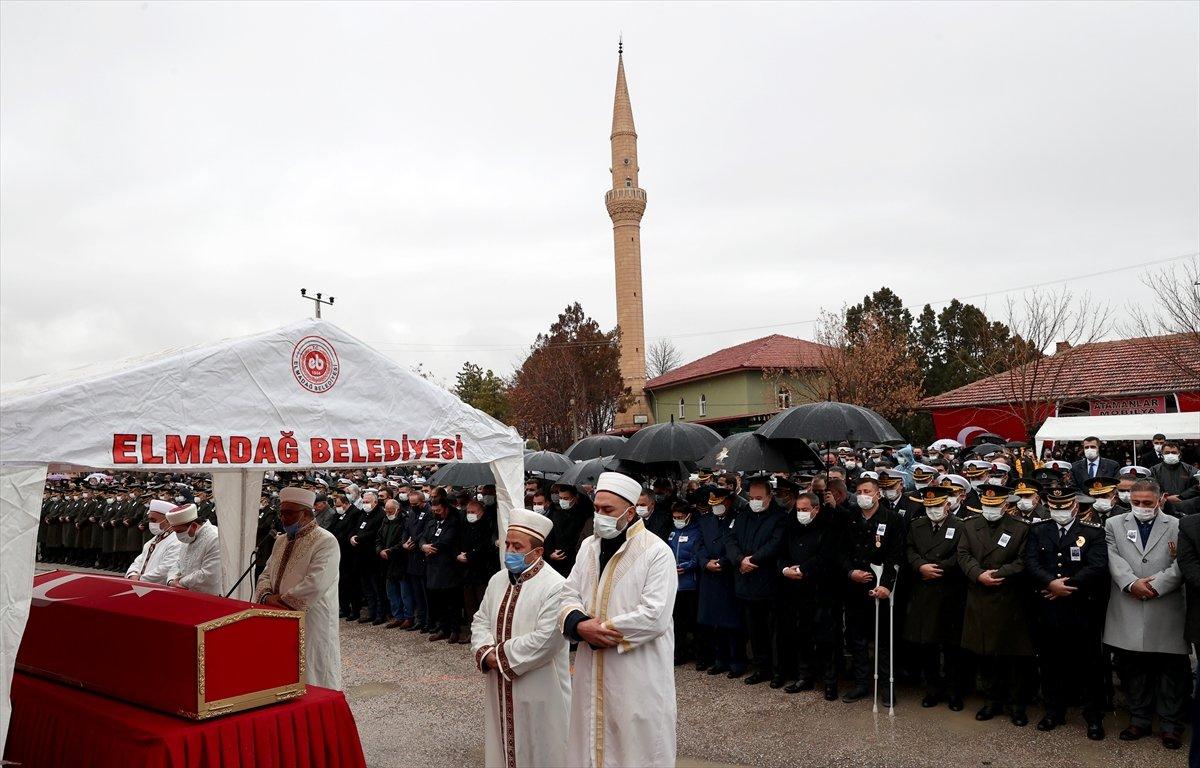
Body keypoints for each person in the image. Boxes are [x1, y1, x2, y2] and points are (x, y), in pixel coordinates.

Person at [560, 472, 677, 768]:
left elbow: (655, 615)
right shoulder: (589, 547)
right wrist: (577, 623)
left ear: (630, 511)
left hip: (636, 672)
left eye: (608, 510)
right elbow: (567, 593)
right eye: (596, 509)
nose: (600, 516)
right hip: (591, 669)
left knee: (635, 747)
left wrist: (601, 631)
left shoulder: (656, 553)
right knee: (591, 741)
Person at [471, 507, 570, 768]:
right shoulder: (497, 580)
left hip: (539, 685)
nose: (510, 551)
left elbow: (548, 639)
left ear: (537, 552)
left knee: (542, 746)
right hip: (499, 683)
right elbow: (481, 619)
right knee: (501, 744)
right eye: (507, 544)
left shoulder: (556, 586)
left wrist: (498, 656)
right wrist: (484, 650)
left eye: (517, 546)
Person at [1102, 478, 1187, 751]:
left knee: (1169, 671)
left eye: (1147, 503)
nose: (1140, 507)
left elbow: (1181, 563)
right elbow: (1113, 558)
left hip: (1166, 607)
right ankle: (1138, 719)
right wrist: (1130, 583)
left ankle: (1170, 725)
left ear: (1160, 500)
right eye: (1135, 502)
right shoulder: (1114, 524)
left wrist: (1157, 585)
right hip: (1127, 603)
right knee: (1132, 668)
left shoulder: (1178, 525)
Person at [1024, 488, 1108, 739]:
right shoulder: (1039, 530)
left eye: (1064, 507)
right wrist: (1050, 584)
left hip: (1081, 607)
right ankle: (1053, 711)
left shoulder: (1092, 531)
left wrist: (1067, 587)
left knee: (1089, 665)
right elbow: (1031, 562)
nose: (1059, 511)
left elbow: (1097, 565)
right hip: (1049, 608)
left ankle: (1093, 717)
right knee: (1051, 663)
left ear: (1074, 507)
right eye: (1054, 507)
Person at [957, 485, 1033, 726]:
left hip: (1009, 599)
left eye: (995, 505)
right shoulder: (969, 525)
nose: (990, 509)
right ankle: (992, 701)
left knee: (1012, 656)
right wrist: (978, 574)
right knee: (985, 653)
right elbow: (963, 554)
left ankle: (1016, 704)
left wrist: (1000, 573)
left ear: (1005, 504)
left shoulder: (1020, 528)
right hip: (980, 595)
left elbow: (1023, 560)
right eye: (986, 505)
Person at [254, 487, 343, 690]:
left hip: (311, 617)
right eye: (282, 513)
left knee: (312, 670)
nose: (283, 518)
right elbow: (266, 573)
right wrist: (267, 597)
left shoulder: (325, 541)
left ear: (305, 513)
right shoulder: (281, 540)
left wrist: (282, 601)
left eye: (289, 513)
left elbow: (316, 583)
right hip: (277, 613)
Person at [838, 474, 904, 705]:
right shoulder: (850, 518)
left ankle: (886, 687)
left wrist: (886, 585)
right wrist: (850, 572)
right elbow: (841, 551)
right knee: (857, 639)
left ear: (878, 494)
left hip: (881, 589)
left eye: (868, 492)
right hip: (855, 586)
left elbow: (895, 555)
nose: (863, 496)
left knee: (883, 641)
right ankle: (861, 684)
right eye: (860, 492)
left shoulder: (893, 519)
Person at [904, 487, 969, 711]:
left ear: (947, 505)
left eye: (937, 506)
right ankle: (932, 689)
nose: (933, 510)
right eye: (929, 506)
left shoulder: (961, 526)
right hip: (923, 591)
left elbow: (961, 554)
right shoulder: (916, 525)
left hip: (949, 591)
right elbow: (909, 549)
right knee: (927, 645)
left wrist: (939, 568)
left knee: (951, 648)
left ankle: (954, 691)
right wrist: (920, 565)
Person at [776, 490, 839, 697]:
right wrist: (785, 569)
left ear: (816, 509)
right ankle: (805, 676)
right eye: (798, 509)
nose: (801, 513)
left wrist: (803, 569)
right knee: (800, 634)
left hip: (820, 590)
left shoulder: (827, 527)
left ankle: (830, 681)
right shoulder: (791, 527)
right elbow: (782, 553)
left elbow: (826, 555)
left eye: (805, 510)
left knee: (825, 638)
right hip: (795, 590)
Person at [726, 475, 786, 687]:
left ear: (769, 497)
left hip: (768, 581)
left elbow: (775, 543)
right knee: (754, 629)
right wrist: (740, 560)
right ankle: (761, 667)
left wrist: (754, 559)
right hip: (746, 582)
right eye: (752, 497)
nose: (755, 501)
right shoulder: (743, 515)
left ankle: (778, 671)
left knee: (774, 631)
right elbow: (731, 540)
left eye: (759, 497)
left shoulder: (779, 517)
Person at [694, 487, 746, 678]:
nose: (716, 508)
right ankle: (719, 660)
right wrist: (704, 562)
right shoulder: (705, 521)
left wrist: (723, 562)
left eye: (720, 503)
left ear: (728, 501)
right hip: (709, 575)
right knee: (713, 622)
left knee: (732, 623)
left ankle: (736, 662)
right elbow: (698, 545)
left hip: (728, 575)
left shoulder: (737, 519)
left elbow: (737, 545)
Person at [423, 490, 465, 643]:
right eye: (434, 511)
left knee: (451, 601)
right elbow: (423, 536)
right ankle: (443, 628)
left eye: (439, 511)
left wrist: (430, 547)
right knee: (437, 600)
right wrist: (423, 546)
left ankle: (455, 630)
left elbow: (446, 541)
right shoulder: (432, 521)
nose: (436, 513)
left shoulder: (453, 522)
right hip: (432, 567)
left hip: (447, 567)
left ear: (446, 509)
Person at [667, 501, 701, 666]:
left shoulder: (696, 532)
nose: (677, 520)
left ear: (688, 516)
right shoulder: (673, 532)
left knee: (694, 620)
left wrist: (687, 566)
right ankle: (679, 653)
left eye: (680, 517)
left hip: (690, 583)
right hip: (675, 584)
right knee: (677, 622)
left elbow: (698, 555)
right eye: (675, 517)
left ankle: (698, 653)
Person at [165, 502, 222, 595]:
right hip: (187, 594)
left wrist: (180, 582)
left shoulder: (215, 538)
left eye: (179, 531)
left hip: (209, 597)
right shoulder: (188, 537)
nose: (177, 535)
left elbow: (209, 574)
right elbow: (178, 563)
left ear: (194, 526)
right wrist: (171, 580)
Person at [124, 499, 182, 584]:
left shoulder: (177, 541)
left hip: (158, 589)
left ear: (167, 520)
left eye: (153, 520)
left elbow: (167, 568)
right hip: (142, 586)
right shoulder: (154, 540)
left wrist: (141, 579)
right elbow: (138, 561)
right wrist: (132, 574)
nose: (150, 523)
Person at [377, 499, 410, 628]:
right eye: (386, 510)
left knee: (404, 592)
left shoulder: (404, 520)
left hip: (400, 560)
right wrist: (380, 550)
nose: (388, 512)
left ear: (397, 509)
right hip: (387, 561)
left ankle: (408, 617)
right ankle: (397, 616)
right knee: (391, 591)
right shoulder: (385, 520)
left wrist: (390, 551)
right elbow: (378, 538)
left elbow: (403, 541)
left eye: (390, 510)